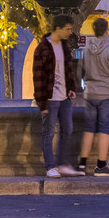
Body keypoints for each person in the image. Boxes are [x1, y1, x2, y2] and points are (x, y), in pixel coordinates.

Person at [32, 15, 83, 178]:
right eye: (68, 29)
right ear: (58, 29)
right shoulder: (42, 49)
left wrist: (71, 87)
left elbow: (67, 70)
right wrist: (42, 103)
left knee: (67, 128)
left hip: (64, 97)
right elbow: (37, 78)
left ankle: (62, 164)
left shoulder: (64, 46)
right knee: (48, 132)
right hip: (50, 97)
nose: (70, 32)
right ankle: (50, 166)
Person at [78, 16, 109, 176]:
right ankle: (101, 166)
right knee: (104, 129)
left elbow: (81, 71)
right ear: (106, 30)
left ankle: (82, 165)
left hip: (90, 93)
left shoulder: (86, 50)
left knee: (89, 129)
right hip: (107, 93)